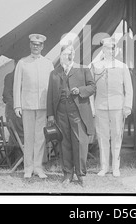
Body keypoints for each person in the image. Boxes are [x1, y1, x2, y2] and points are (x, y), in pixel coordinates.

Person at [47, 43, 96, 186]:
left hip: (78, 112)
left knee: (80, 142)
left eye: (69, 54)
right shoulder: (54, 73)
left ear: (73, 55)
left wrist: (80, 90)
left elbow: (93, 87)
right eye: (63, 54)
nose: (66, 56)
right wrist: (50, 115)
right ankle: (68, 174)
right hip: (61, 113)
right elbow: (50, 95)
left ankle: (81, 175)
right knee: (65, 143)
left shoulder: (83, 70)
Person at [13, 34, 54, 179]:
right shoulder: (22, 63)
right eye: (33, 44)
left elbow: (51, 87)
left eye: (39, 45)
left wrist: (51, 108)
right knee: (29, 137)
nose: (36, 47)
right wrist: (17, 105)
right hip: (28, 105)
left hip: (43, 106)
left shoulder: (48, 63)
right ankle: (28, 168)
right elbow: (17, 85)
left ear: (42, 46)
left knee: (40, 138)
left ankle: (38, 168)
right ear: (30, 45)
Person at [91, 37, 133, 177]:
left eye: (113, 48)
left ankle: (116, 167)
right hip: (100, 105)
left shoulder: (122, 66)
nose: (111, 50)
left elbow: (129, 88)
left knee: (116, 136)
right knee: (102, 137)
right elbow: (91, 88)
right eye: (108, 48)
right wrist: (92, 107)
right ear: (103, 49)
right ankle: (104, 167)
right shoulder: (95, 66)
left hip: (117, 106)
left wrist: (127, 106)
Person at [2, 66, 24, 143]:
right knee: (17, 135)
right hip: (13, 111)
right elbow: (6, 95)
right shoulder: (10, 77)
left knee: (17, 136)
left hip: (18, 111)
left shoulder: (22, 77)